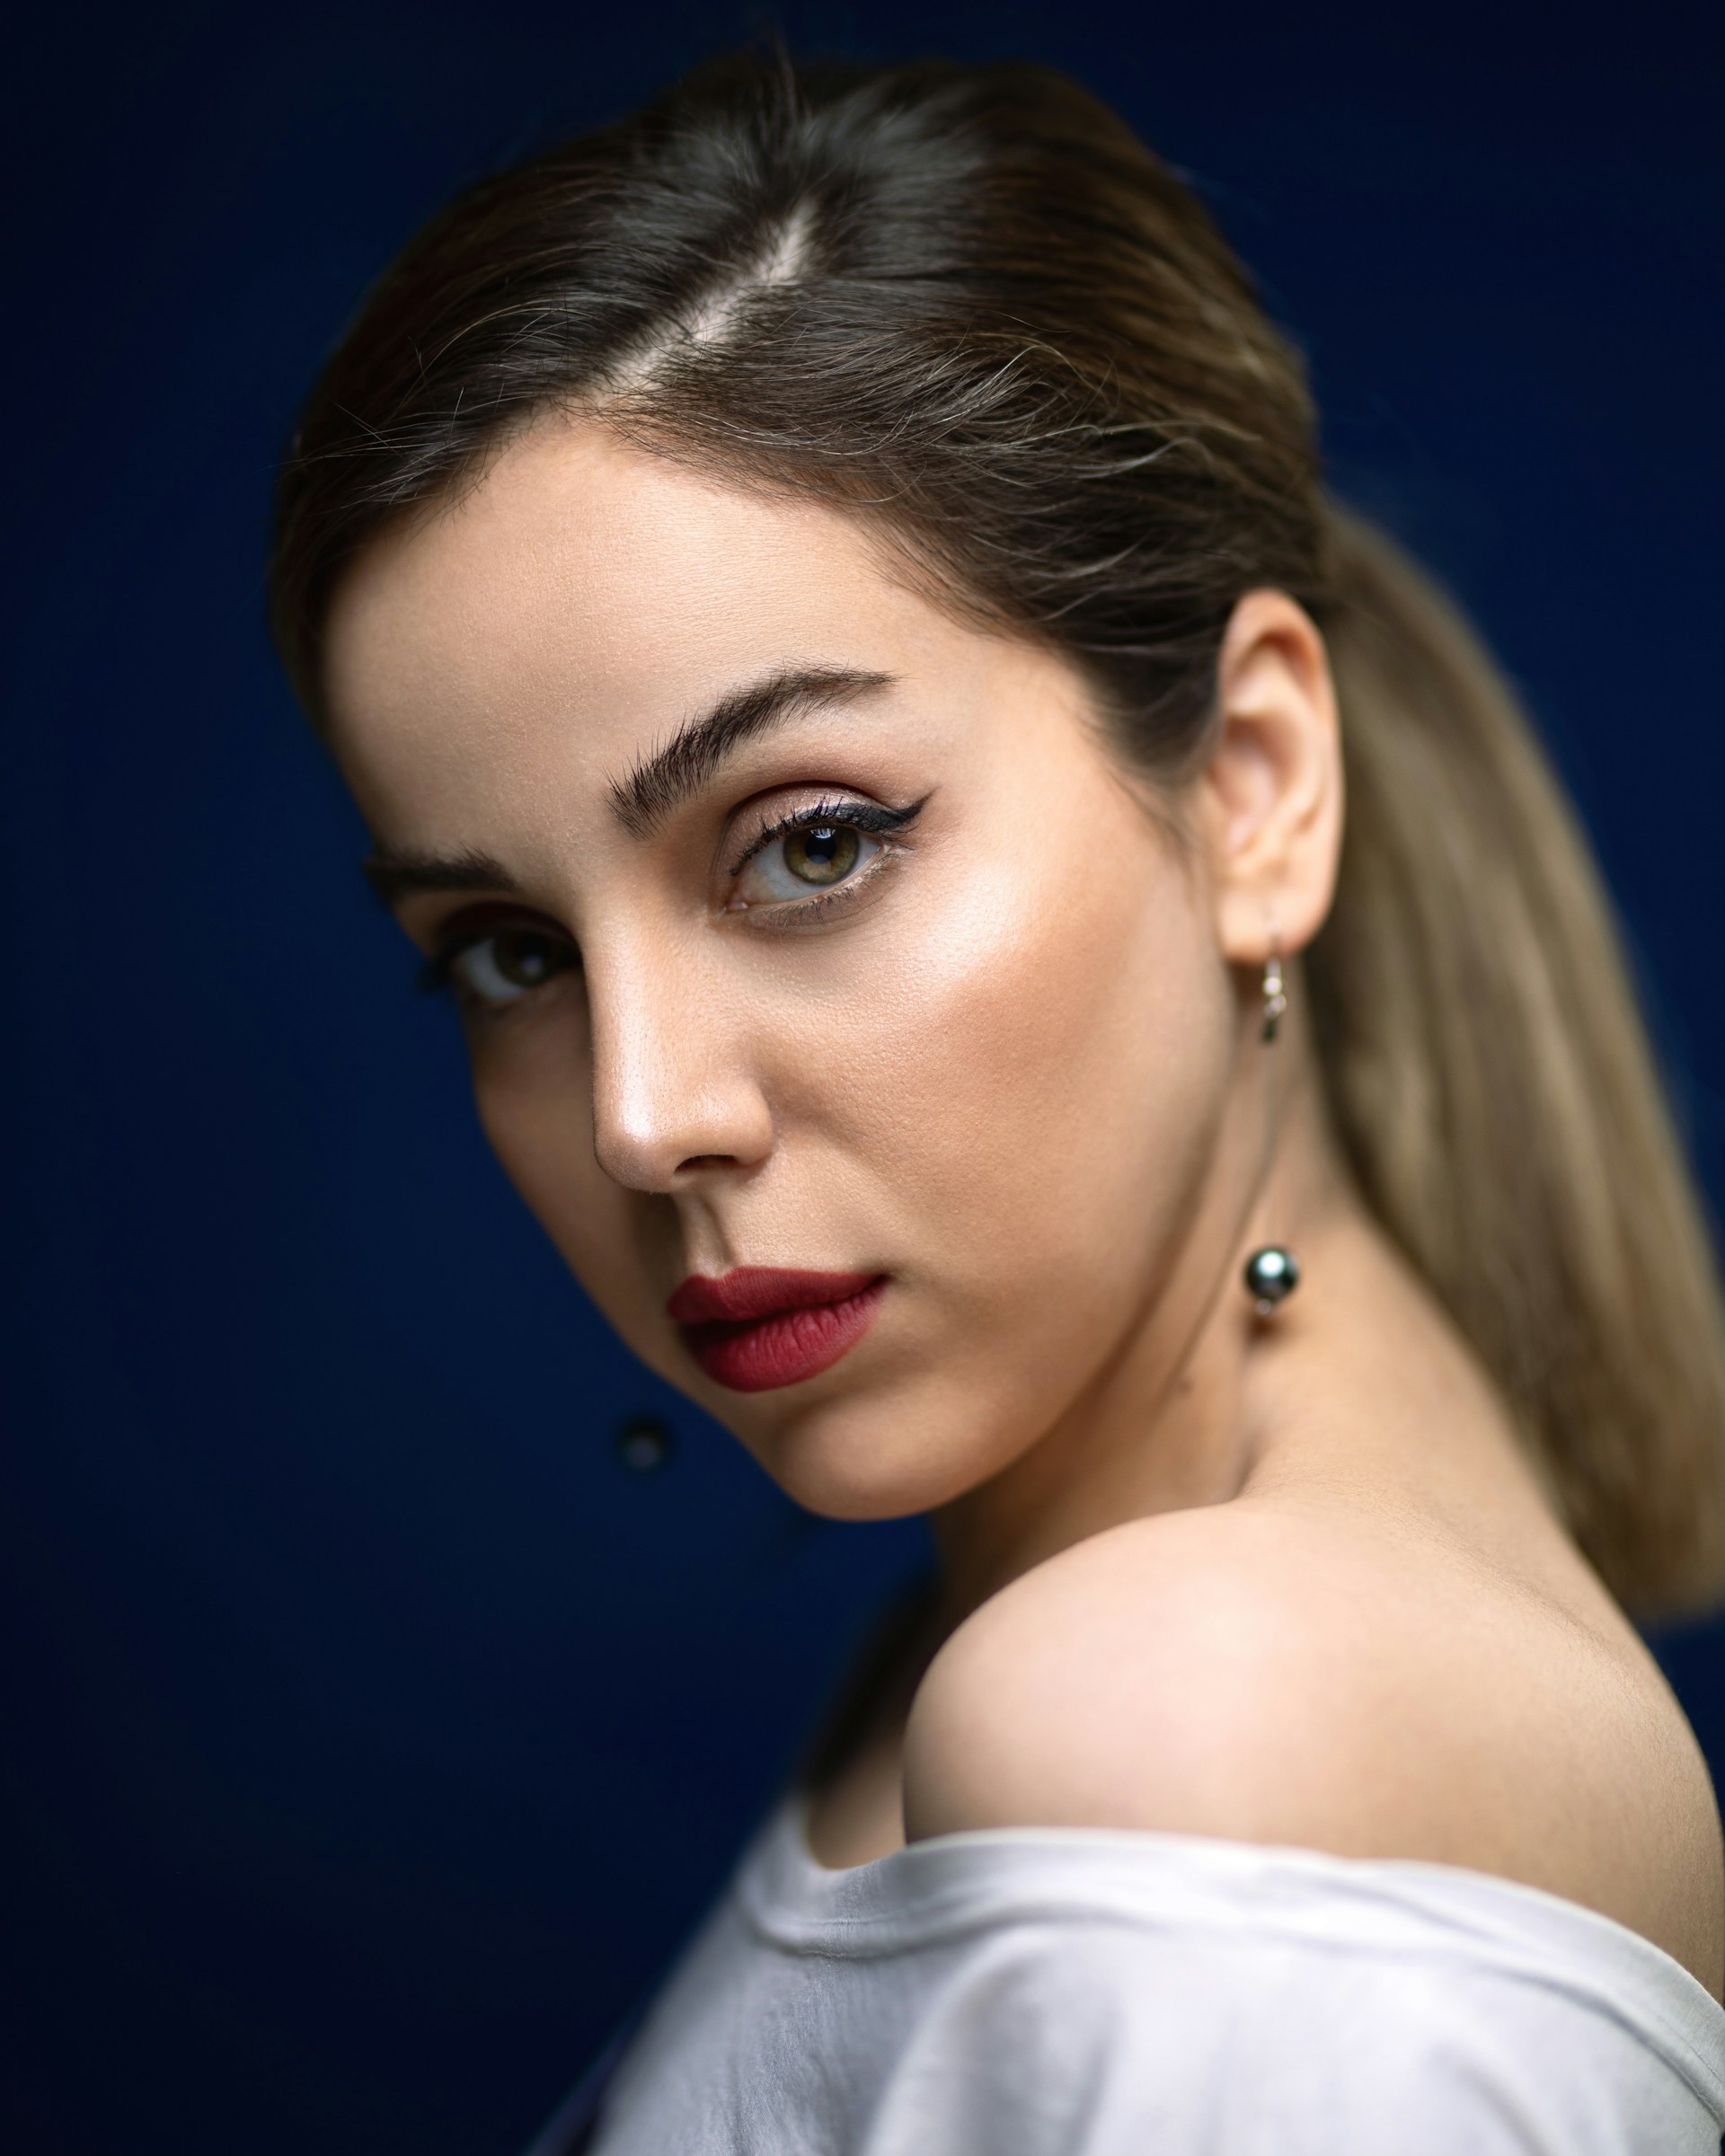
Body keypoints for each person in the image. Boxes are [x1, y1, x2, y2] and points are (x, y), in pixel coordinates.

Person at [270, 52, 1725, 2153]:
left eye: (811, 843)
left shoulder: (1199, 1728)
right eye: (507, 950)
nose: (640, 1117)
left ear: (1250, 789)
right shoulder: (1070, 1626)